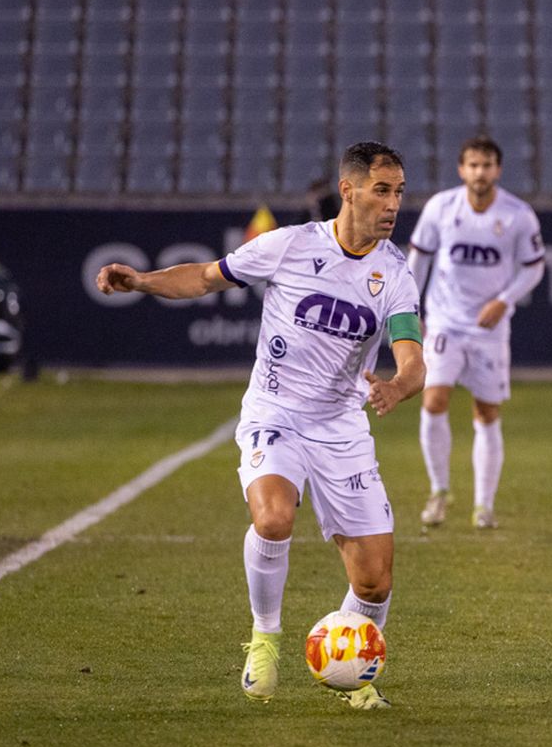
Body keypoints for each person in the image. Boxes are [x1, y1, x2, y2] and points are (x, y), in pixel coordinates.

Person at [95, 142, 424, 710]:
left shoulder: (394, 272)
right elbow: (204, 278)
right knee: (273, 518)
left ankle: (352, 673)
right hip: (275, 414)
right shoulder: (289, 245)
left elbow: (412, 358)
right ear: (348, 191)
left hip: (341, 427)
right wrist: (143, 281)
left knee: (374, 581)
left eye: (398, 192)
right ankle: (265, 638)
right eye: (382, 190)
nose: (393, 204)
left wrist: (397, 385)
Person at [410, 135, 546, 532]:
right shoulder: (441, 207)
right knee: (433, 399)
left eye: (486, 165)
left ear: (497, 170)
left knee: (486, 412)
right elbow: (418, 260)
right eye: (473, 165)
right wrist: (410, 310)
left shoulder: (518, 215)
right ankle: (439, 491)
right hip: (445, 322)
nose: (479, 172)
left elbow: (534, 266)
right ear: (461, 169)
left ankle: (483, 505)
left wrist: (504, 300)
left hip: (489, 329)